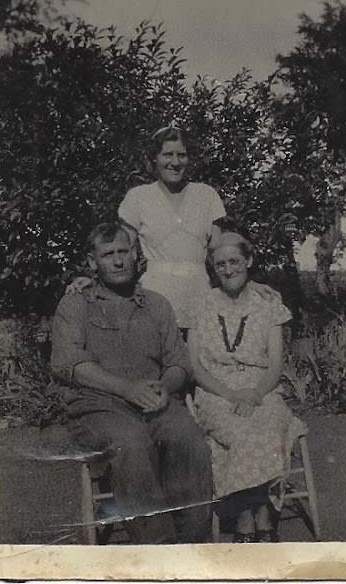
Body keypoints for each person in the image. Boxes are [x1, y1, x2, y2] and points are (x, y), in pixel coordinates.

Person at [51, 221, 213, 544]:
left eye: (123, 252)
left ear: (135, 254)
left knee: (187, 436)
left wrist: (165, 386)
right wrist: (126, 389)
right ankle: (158, 549)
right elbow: (70, 366)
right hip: (99, 408)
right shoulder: (75, 304)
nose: (118, 261)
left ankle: (195, 545)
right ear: (92, 261)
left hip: (156, 402)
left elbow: (179, 363)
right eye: (108, 254)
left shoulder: (157, 304)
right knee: (132, 443)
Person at [68, 123, 276, 330]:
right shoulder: (138, 198)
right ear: (154, 159)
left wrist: (247, 283)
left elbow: (220, 252)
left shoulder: (206, 195)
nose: (175, 162)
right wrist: (96, 279)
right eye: (167, 154)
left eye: (182, 155)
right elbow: (121, 250)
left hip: (201, 299)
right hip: (154, 300)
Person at [187, 231, 306, 543]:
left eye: (235, 261)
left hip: (263, 389)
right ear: (213, 268)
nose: (228, 270)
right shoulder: (200, 304)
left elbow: (276, 365)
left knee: (267, 427)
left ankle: (262, 513)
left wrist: (253, 395)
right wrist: (231, 395)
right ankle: (244, 516)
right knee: (239, 432)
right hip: (215, 392)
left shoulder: (268, 304)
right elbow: (195, 366)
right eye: (221, 264)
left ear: (249, 261)